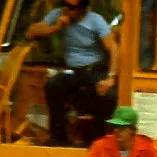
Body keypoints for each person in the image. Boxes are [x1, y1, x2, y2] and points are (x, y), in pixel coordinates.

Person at [26, 0, 118, 146]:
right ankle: (58, 137)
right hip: (73, 70)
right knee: (53, 86)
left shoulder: (95, 20)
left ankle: (97, 141)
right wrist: (57, 26)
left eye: (72, 8)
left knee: (107, 95)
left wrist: (110, 78)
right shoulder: (58, 15)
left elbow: (113, 48)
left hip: (93, 69)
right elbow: (31, 33)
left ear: (83, 9)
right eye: (65, 5)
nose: (67, 10)